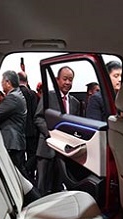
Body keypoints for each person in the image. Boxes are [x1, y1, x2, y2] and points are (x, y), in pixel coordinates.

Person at [34, 66, 80, 194]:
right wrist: (51, 134)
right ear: (57, 80)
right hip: (46, 149)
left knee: (58, 188)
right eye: (65, 79)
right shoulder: (48, 96)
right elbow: (38, 118)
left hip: (64, 152)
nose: (68, 82)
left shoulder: (75, 102)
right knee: (42, 187)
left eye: (70, 80)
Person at [0, 70, 28, 178]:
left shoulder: (12, 97)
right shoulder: (18, 94)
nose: (1, 84)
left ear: (8, 82)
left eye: (2, 81)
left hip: (12, 143)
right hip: (17, 142)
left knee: (15, 175)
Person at [18, 71, 39, 183]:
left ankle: (23, 175)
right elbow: (36, 113)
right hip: (31, 131)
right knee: (32, 155)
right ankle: (30, 174)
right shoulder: (32, 94)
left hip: (19, 131)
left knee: (20, 156)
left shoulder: (15, 94)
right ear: (27, 80)